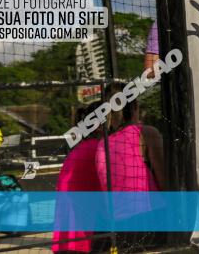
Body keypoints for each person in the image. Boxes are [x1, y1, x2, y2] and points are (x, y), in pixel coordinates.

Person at [95, 86, 166, 252]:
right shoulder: (146, 132)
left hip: (117, 223)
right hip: (149, 217)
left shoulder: (102, 144)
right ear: (135, 107)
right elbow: (164, 180)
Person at [53, 101, 107, 253]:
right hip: (85, 230)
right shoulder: (100, 148)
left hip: (69, 230)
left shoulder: (80, 148)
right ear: (98, 125)